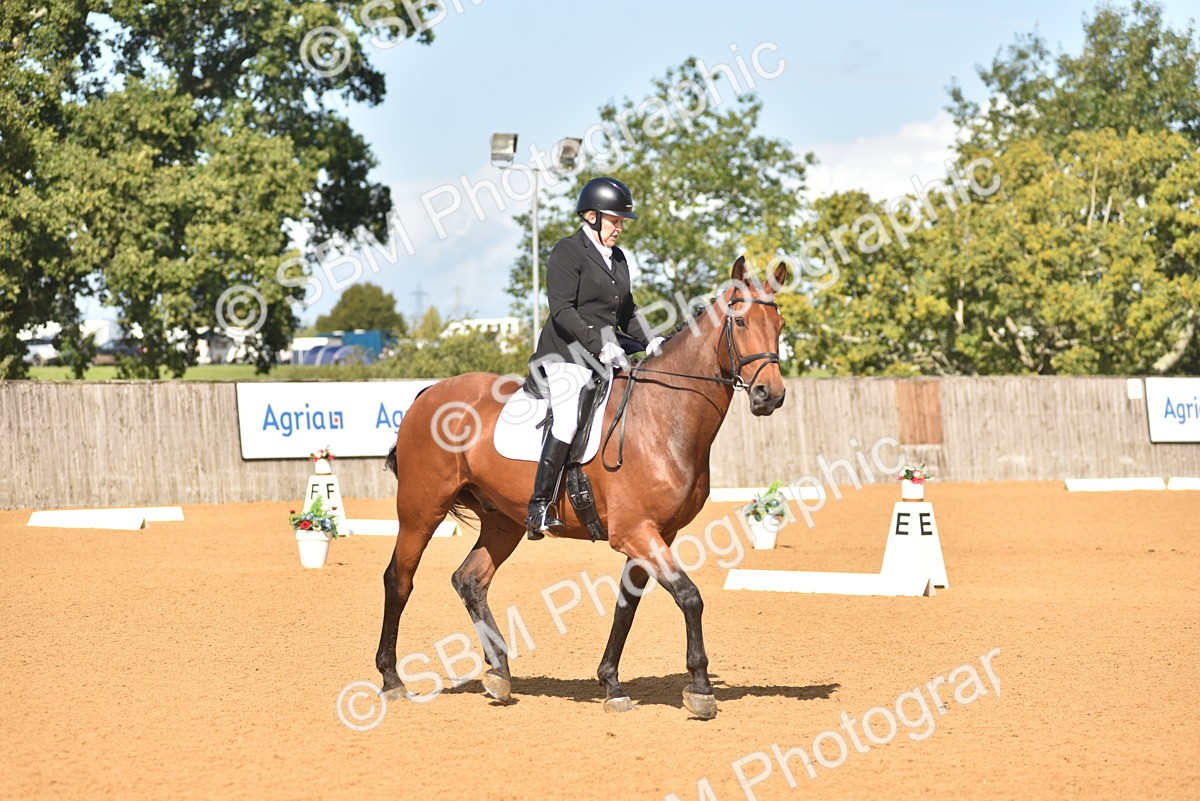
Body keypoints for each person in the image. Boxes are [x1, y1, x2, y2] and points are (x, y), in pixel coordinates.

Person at [523, 176, 665, 539]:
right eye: (614, 220)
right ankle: (540, 505)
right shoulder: (567, 251)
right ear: (591, 216)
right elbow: (563, 311)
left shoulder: (617, 258)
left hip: (607, 352)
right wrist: (599, 344)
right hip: (565, 354)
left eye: (621, 222)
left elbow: (627, 311)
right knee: (568, 419)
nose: (619, 228)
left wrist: (650, 341)